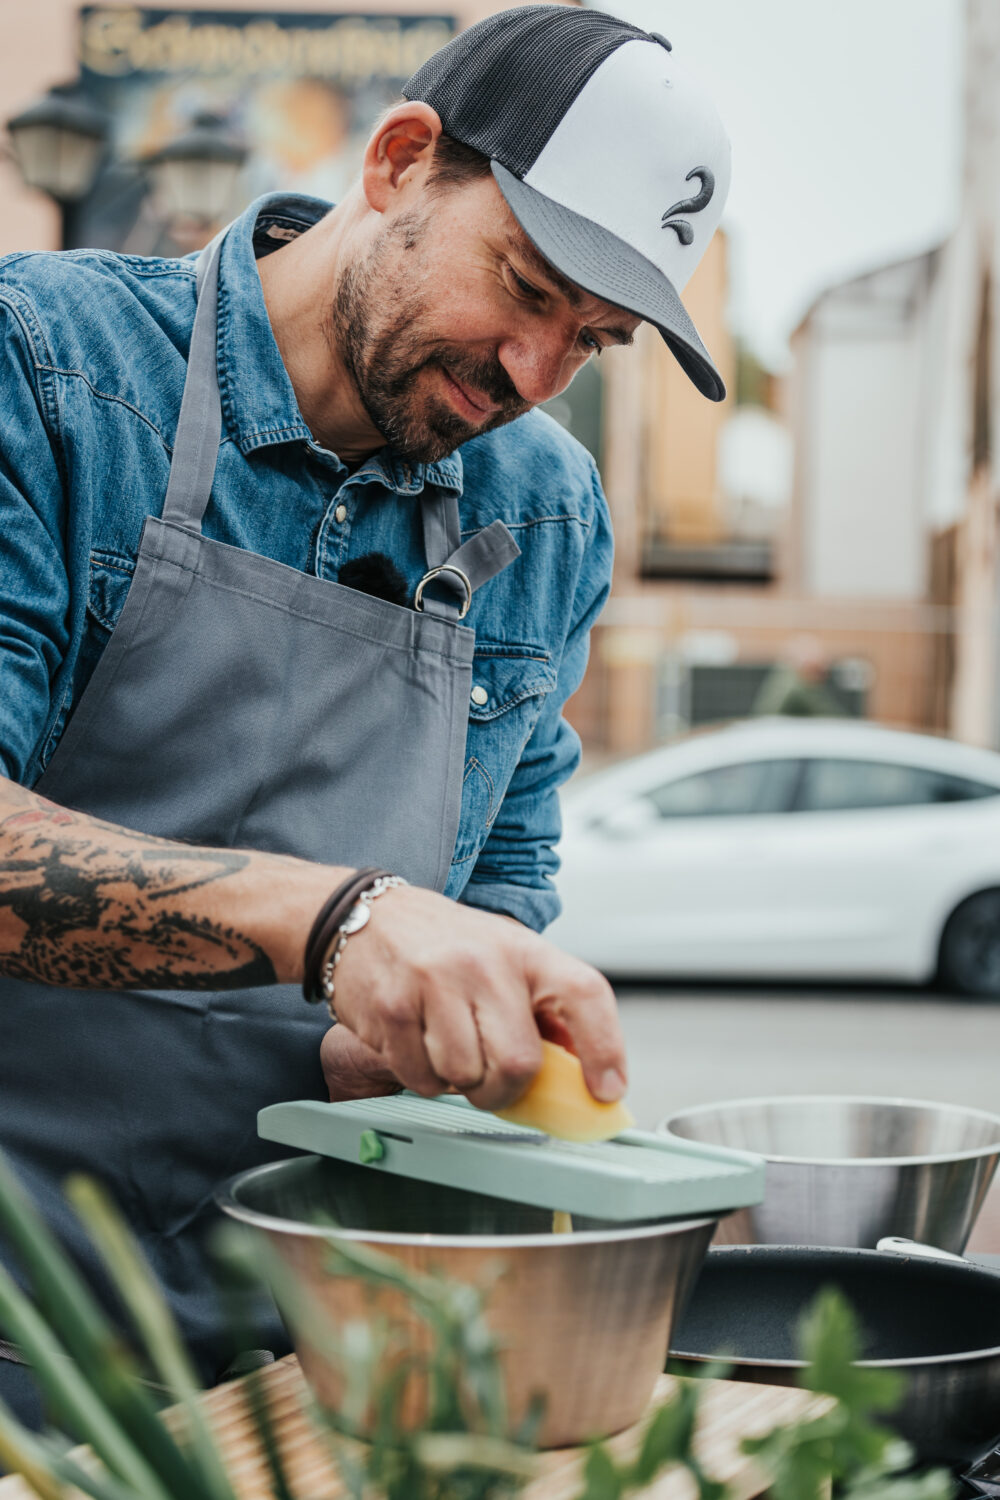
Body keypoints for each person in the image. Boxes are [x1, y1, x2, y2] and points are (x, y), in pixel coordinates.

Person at [0, 4, 730, 1416]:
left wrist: (434, 1038)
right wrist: (337, 925)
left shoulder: (548, 515)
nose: (533, 378)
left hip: (309, 1347)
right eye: (525, 286)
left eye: (594, 341)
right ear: (399, 161)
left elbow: (497, 885)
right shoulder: (50, 368)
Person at [751, 635, 849, 718]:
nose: (823, 674)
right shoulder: (797, 686)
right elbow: (828, 712)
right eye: (818, 667)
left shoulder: (785, 676)